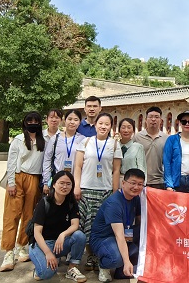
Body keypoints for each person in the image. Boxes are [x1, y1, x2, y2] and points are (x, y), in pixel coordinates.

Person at [73, 113, 122, 272]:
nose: (103, 126)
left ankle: (100, 255)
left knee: (101, 227)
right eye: (100, 123)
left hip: (105, 192)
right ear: (95, 125)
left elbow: (116, 171)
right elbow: (78, 166)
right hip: (86, 190)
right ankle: (90, 256)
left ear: (110, 127)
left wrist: (114, 193)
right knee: (86, 225)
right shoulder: (86, 142)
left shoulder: (114, 145)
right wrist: (77, 186)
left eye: (107, 124)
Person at [0, 111, 47, 271]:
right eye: (30, 120)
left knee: (29, 215)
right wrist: (11, 182)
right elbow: (11, 162)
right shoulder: (19, 140)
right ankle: (8, 251)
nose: (33, 123)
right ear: (25, 122)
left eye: (36, 120)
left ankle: (22, 245)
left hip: (34, 179)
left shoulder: (44, 141)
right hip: (18, 178)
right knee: (12, 215)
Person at [29, 170, 87, 282]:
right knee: (47, 274)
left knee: (79, 236)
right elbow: (37, 232)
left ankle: (72, 269)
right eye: (61, 183)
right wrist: (48, 253)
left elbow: (75, 225)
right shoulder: (44, 203)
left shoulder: (71, 202)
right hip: (41, 244)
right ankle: (39, 267)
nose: (65, 186)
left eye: (68, 184)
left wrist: (63, 235)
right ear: (54, 184)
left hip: (59, 243)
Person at [90, 168, 145, 283]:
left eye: (140, 184)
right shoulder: (114, 203)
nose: (136, 187)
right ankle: (103, 265)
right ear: (123, 183)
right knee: (116, 259)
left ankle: (123, 265)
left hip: (125, 233)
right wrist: (126, 261)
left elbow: (142, 222)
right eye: (133, 183)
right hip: (103, 238)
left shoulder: (136, 198)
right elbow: (119, 236)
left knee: (146, 231)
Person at [42, 109, 85, 195]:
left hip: (74, 182)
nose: (72, 122)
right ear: (64, 121)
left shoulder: (83, 139)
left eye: (76, 120)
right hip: (57, 181)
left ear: (80, 122)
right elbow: (47, 160)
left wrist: (78, 185)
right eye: (69, 119)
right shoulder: (55, 138)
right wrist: (46, 182)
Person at [163, 111, 189, 193]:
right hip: (176, 181)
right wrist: (169, 184)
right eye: (184, 121)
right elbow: (167, 162)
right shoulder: (172, 140)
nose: (187, 124)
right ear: (180, 123)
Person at [133, 106, 168, 190]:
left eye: (156, 117)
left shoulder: (166, 138)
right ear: (146, 120)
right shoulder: (138, 137)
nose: (153, 119)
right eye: (150, 117)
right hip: (141, 180)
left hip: (160, 181)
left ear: (161, 120)